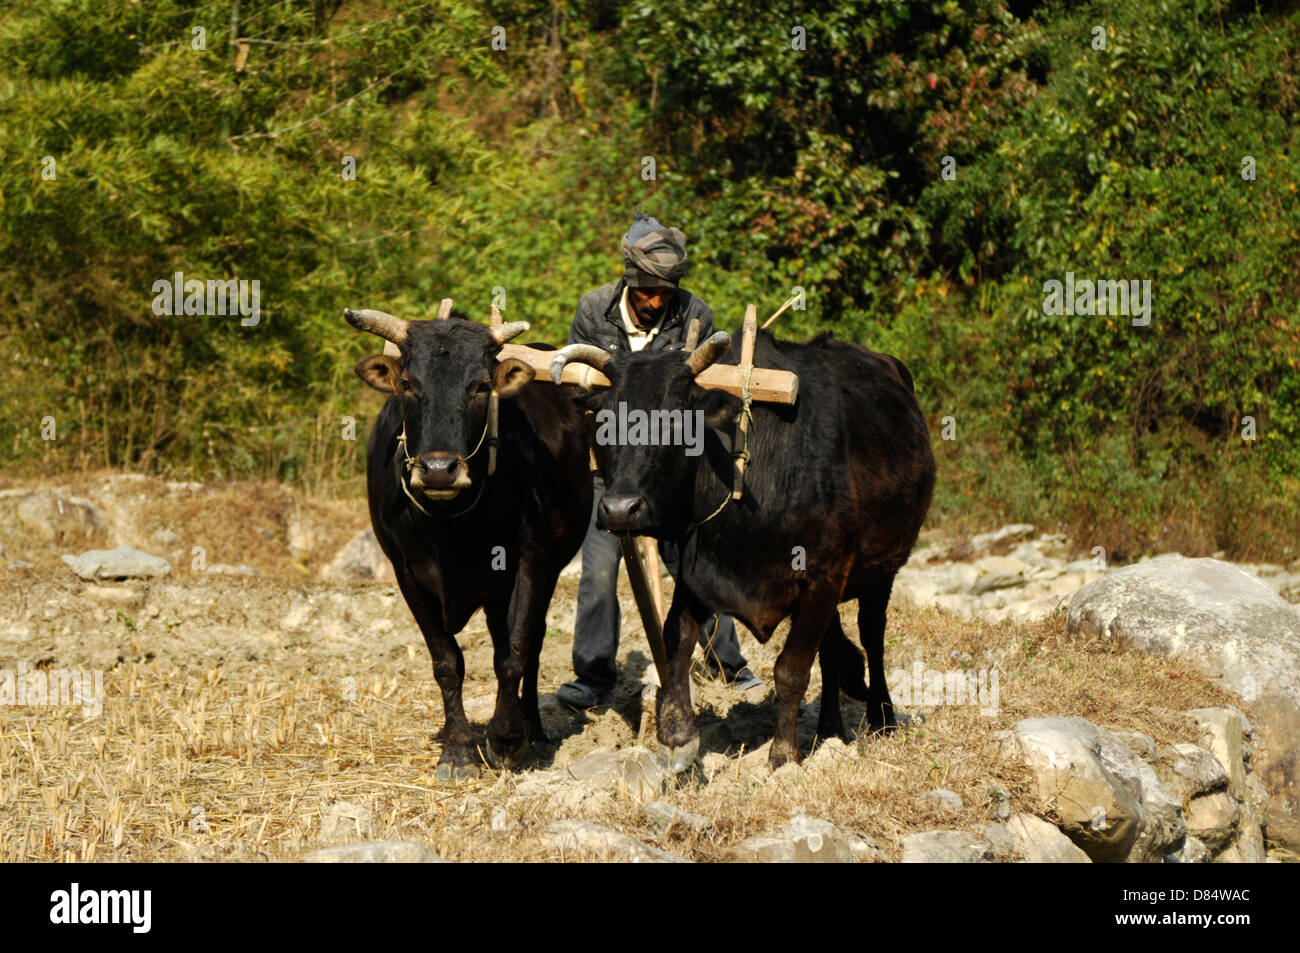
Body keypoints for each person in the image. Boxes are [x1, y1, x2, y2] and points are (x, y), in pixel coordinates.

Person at [555, 209, 765, 709]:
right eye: (647, 290)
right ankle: (594, 677)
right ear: (629, 281)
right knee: (600, 570)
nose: (655, 301)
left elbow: (698, 394)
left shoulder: (696, 315)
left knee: (693, 563)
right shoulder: (593, 311)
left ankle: (727, 664)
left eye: (665, 293)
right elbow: (580, 393)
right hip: (612, 462)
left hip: (671, 467)